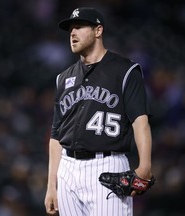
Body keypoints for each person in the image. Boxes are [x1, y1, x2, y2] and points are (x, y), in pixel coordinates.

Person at [44, 7, 153, 216]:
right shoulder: (63, 78)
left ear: (98, 30)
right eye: (70, 29)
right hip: (67, 168)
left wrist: (145, 165)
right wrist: (52, 185)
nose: (72, 33)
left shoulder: (125, 71)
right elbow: (56, 135)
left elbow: (140, 122)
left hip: (108, 166)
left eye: (79, 27)